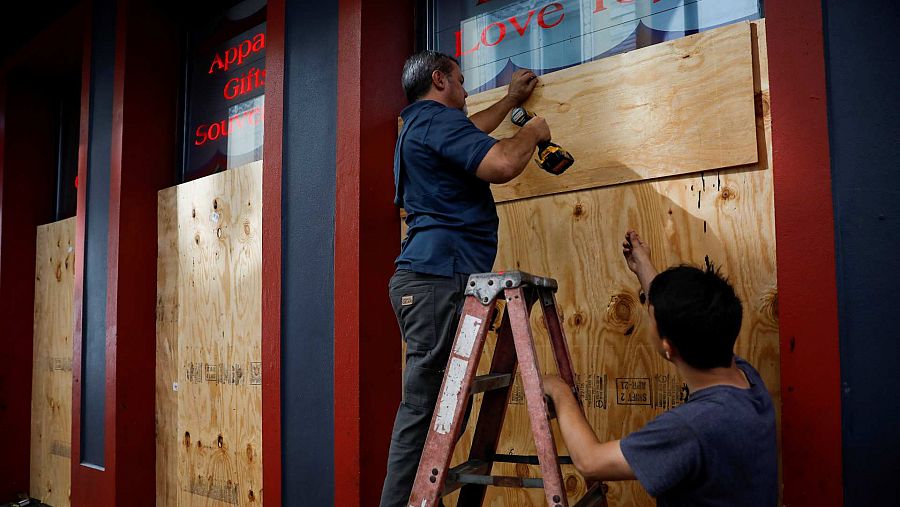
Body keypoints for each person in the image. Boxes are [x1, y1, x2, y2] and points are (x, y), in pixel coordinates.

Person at [380, 50, 552, 507]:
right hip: (439, 279)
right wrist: (532, 132)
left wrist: (511, 99)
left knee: (443, 412)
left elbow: (471, 132)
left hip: (430, 279)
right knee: (426, 414)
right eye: (460, 79)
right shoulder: (436, 123)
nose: (467, 87)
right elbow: (500, 164)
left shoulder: (419, 127)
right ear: (440, 79)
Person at [542, 230, 778, 507]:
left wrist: (560, 392)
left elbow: (590, 462)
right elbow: (692, 322)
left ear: (668, 347)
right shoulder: (747, 380)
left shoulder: (692, 426)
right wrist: (643, 266)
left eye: (652, 315)